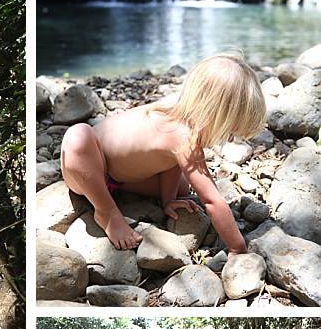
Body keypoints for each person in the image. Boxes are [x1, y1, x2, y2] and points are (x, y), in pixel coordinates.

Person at [60, 52, 265, 251]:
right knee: (78, 137)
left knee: (182, 189)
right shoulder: (184, 135)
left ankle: (119, 195)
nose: (228, 138)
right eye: (229, 130)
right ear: (216, 113)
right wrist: (237, 248)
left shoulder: (185, 115)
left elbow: (171, 157)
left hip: (120, 178)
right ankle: (107, 212)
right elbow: (212, 200)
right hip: (88, 169)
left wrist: (168, 200)